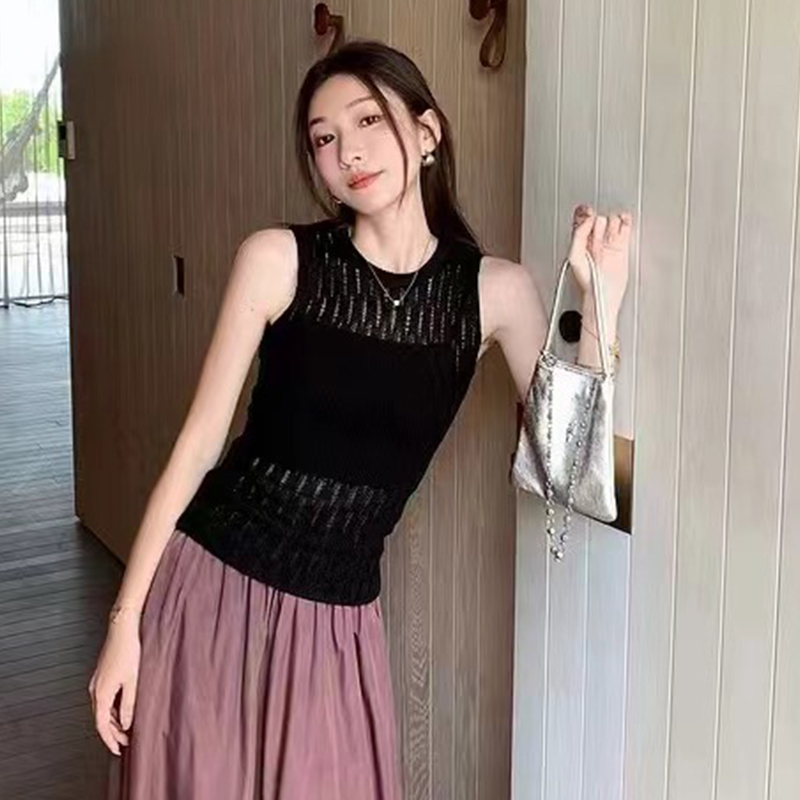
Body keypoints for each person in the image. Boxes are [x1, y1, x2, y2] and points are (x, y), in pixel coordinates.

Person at [89, 39, 632, 800]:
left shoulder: (497, 293)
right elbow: (199, 445)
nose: (348, 151)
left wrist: (599, 300)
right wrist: (125, 621)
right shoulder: (277, 260)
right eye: (324, 137)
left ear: (427, 132)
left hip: (336, 621)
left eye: (369, 120)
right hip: (212, 590)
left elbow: (567, 472)